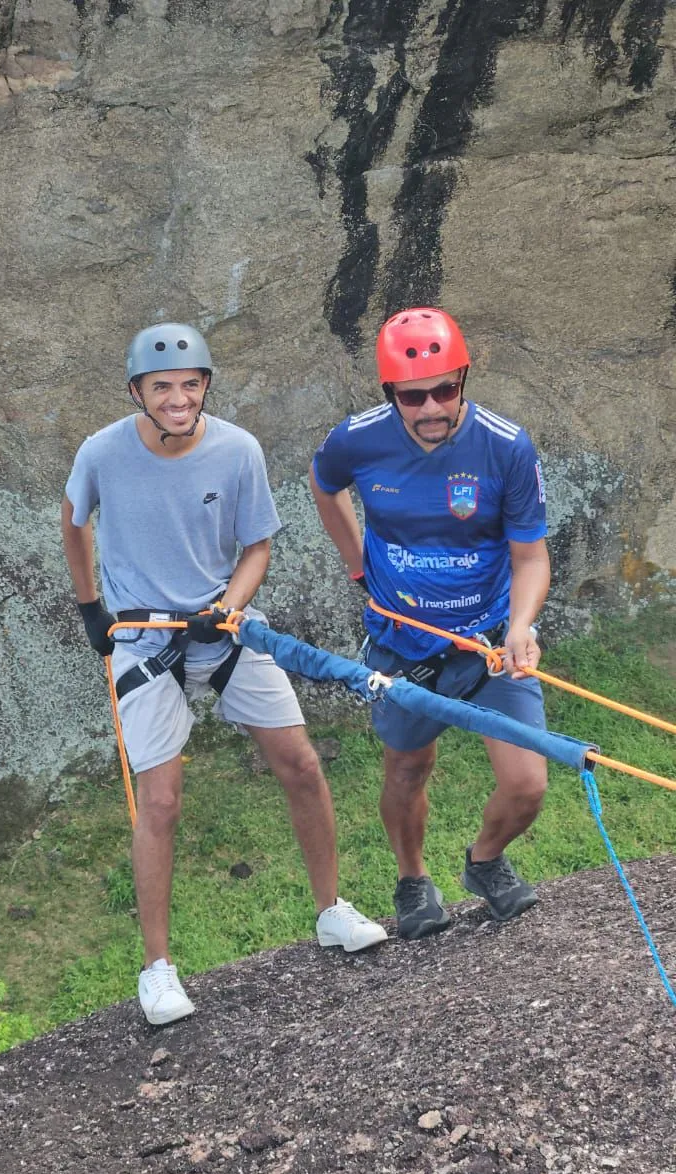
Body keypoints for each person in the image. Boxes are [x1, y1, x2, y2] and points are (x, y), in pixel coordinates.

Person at [61, 322, 386, 1025]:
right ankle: (158, 970)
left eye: (189, 385)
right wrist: (91, 607)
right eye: (162, 388)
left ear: (206, 385)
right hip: (144, 639)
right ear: (137, 393)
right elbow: (74, 519)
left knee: (301, 763)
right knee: (164, 801)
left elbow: (258, 545)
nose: (178, 399)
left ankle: (331, 910)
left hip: (226, 629)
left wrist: (228, 606)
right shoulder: (102, 454)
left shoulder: (238, 450)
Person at [310, 307, 550, 940]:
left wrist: (521, 626)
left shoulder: (505, 446)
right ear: (390, 393)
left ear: (464, 379)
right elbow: (323, 482)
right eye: (414, 396)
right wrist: (357, 563)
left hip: (487, 641)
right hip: (402, 645)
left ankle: (485, 861)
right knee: (408, 771)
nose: (433, 407)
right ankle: (413, 879)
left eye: (447, 388)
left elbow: (530, 555)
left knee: (527, 785)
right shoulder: (357, 439)